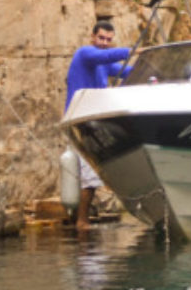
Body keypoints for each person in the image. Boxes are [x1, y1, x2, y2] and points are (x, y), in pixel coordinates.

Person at [65, 20, 130, 230]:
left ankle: (82, 220)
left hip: (95, 124)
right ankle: (82, 222)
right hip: (80, 123)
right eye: (101, 38)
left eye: (108, 40)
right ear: (92, 37)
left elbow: (126, 71)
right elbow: (103, 56)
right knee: (90, 176)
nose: (104, 43)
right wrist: (132, 51)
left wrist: (154, 70)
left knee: (91, 174)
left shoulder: (104, 64)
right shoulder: (85, 54)